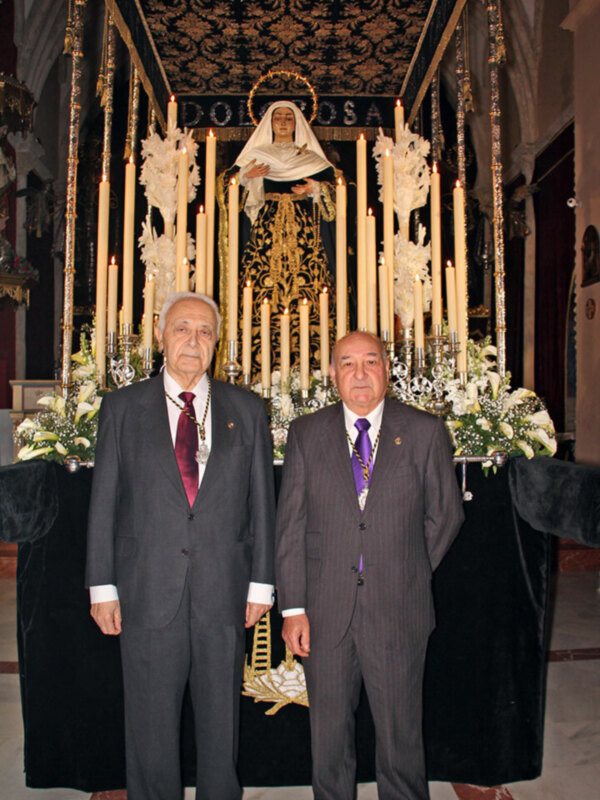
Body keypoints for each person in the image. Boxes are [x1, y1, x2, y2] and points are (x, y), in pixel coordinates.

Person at [86, 292, 276, 800]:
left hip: (224, 590)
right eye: (182, 329)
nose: (193, 341)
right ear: (159, 335)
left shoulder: (246, 409)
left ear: (217, 342)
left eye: (205, 332)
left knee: (221, 722)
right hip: (147, 589)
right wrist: (101, 586)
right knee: (149, 723)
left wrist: (262, 581)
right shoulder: (123, 408)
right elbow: (104, 501)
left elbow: (262, 503)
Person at [275, 331, 464, 800]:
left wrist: (406, 567)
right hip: (324, 613)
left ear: (387, 368)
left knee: (401, 742)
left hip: (398, 610)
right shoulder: (305, 433)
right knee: (329, 742)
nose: (360, 374)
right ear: (333, 373)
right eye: (348, 363)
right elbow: (290, 528)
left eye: (371, 362)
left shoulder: (423, 431)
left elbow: (446, 515)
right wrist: (293, 608)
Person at [218, 101, 338, 378]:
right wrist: (246, 178)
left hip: (306, 246)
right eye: (278, 118)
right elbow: (225, 191)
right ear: (269, 124)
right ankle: (256, 373)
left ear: (297, 123)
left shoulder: (313, 160)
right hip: (264, 243)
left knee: (312, 297)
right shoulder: (256, 156)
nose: (283, 123)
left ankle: (313, 374)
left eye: (288, 118)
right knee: (259, 297)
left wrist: (316, 188)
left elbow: (340, 190)